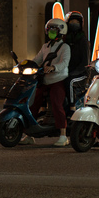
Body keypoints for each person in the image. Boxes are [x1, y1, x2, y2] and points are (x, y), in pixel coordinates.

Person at [25, 18, 71, 147]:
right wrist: (26, 64)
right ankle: (29, 134)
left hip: (58, 80)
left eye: (54, 29)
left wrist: (54, 68)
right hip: (45, 80)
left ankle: (63, 135)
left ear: (60, 31)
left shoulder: (65, 47)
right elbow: (37, 59)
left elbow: (64, 63)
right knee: (33, 103)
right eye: (49, 29)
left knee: (57, 104)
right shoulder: (45, 46)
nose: (51, 32)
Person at [63, 10, 90, 106]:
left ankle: (72, 105)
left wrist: (72, 73)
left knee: (69, 81)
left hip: (81, 73)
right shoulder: (65, 39)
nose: (74, 24)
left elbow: (85, 62)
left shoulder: (82, 39)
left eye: (77, 22)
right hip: (66, 71)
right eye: (71, 22)